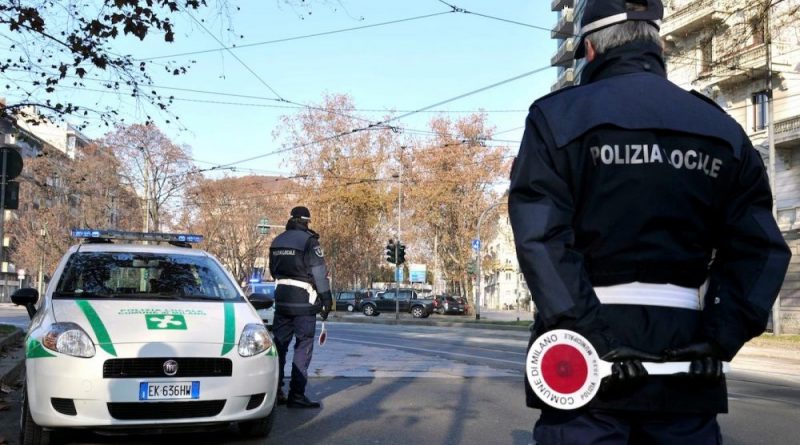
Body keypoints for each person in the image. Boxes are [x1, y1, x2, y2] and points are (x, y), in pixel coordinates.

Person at [508, 0, 791, 443]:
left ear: (591, 50)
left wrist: (588, 332)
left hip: (587, 363)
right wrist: (720, 336)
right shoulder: (722, 130)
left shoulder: (556, 118)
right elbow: (761, 249)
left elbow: (541, 238)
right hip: (687, 360)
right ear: (657, 45)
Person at [269, 206, 332, 409]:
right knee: (303, 346)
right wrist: (326, 299)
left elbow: (273, 271)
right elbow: (319, 273)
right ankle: (296, 395)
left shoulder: (277, 241)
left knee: (279, 347)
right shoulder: (309, 241)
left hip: (281, 302)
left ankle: (275, 392)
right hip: (304, 303)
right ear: (306, 221)